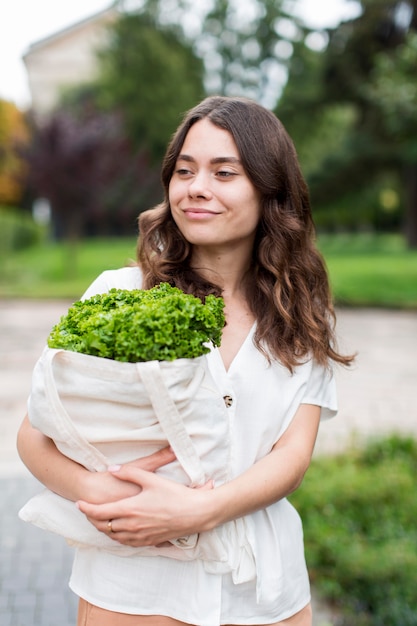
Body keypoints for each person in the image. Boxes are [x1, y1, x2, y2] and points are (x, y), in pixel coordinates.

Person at [17, 95, 353, 626]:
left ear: (270, 190)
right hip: (135, 587)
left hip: (263, 595)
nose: (196, 187)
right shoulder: (118, 295)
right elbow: (33, 437)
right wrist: (90, 488)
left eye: (225, 172)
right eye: (184, 170)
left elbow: (292, 454)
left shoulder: (299, 315)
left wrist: (203, 510)